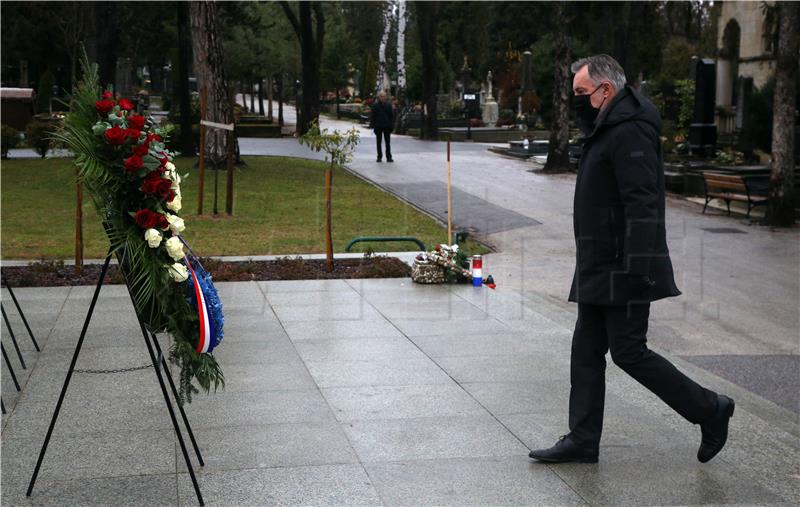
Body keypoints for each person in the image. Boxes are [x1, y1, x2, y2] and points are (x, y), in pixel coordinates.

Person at [529, 54, 734, 464]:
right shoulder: (608, 125)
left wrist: (638, 267)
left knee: (629, 352)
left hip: (624, 264)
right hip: (598, 260)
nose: (577, 102)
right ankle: (583, 439)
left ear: (606, 90)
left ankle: (711, 409)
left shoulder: (630, 129)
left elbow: (642, 203)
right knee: (586, 349)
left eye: (582, 94)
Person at [371, 90, 394, 162]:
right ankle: (379, 157)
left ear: (385, 97)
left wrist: (391, 126)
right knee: (378, 143)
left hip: (387, 126)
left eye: (383, 96)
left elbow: (391, 116)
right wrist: (374, 126)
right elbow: (373, 116)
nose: (382, 97)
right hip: (378, 126)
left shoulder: (388, 105)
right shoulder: (375, 105)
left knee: (388, 143)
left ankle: (389, 157)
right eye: (381, 96)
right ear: (379, 97)